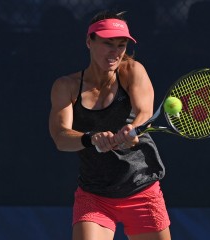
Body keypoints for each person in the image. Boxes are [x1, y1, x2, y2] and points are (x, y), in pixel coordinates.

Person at [49, 10, 171, 240]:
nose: (115, 52)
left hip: (141, 188)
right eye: (108, 44)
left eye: (121, 45)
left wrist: (132, 129)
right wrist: (90, 138)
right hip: (94, 195)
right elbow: (60, 137)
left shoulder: (132, 71)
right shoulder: (66, 86)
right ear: (89, 42)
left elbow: (144, 111)